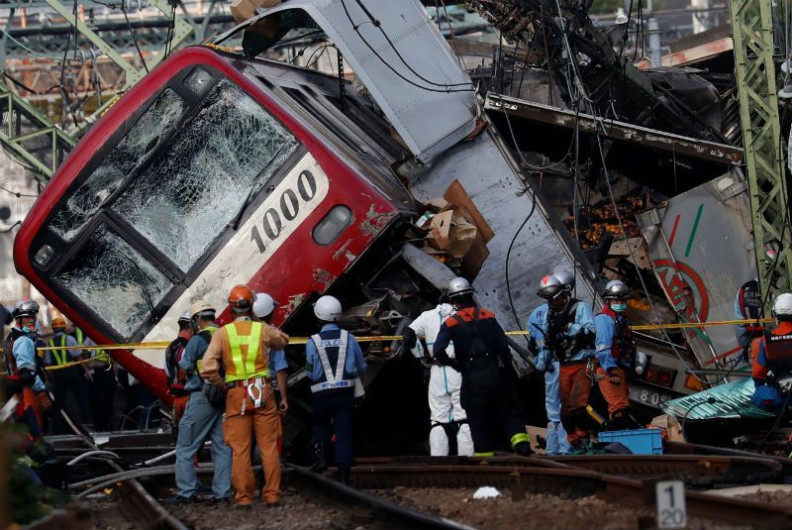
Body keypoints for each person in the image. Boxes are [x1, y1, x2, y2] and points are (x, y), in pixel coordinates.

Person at [201, 285, 289, 509]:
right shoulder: (263, 330)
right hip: (263, 392)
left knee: (240, 449)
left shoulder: (223, 333)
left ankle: (244, 498)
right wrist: (258, 321)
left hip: (236, 394)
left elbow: (208, 368)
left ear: (231, 308)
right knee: (268, 446)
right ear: (251, 307)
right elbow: (283, 340)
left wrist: (223, 384)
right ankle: (271, 495)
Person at [433, 277, 531, 458]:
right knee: (509, 410)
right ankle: (522, 446)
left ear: (453, 300)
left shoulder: (450, 323)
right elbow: (503, 347)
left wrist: (454, 365)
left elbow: (438, 351)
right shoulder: (488, 316)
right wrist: (507, 372)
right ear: (471, 295)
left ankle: (485, 458)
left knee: (477, 416)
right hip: (497, 372)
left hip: (472, 376)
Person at [169, 301, 232, 504]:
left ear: (197, 320)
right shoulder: (227, 336)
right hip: (224, 396)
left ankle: (186, 492)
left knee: (185, 447)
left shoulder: (198, 340)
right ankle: (223, 493)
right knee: (222, 447)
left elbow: (185, 364)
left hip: (201, 397)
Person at [306, 295, 368, 483]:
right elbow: (361, 366)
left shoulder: (313, 341)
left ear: (318, 316)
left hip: (322, 395)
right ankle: (343, 474)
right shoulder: (349, 338)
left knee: (320, 425)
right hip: (345, 394)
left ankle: (323, 458)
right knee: (344, 432)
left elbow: (310, 371)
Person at [402, 302, 473, 456]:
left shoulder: (427, 316)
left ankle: (438, 459)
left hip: (437, 371)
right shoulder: (463, 316)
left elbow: (408, 336)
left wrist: (421, 358)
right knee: (464, 418)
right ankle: (468, 462)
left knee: (438, 420)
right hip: (459, 370)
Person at [593, 280, 637, 429]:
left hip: (618, 368)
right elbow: (603, 348)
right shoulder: (604, 319)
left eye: (622, 300)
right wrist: (611, 371)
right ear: (608, 300)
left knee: (623, 405)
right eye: (617, 300)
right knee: (619, 409)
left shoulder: (618, 319)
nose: (620, 303)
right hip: (608, 370)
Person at [3, 300, 49, 435]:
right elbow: (28, 374)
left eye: (34, 316)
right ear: (19, 318)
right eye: (28, 316)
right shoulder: (25, 340)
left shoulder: (11, 338)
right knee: (35, 435)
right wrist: (43, 393)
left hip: (15, 394)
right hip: (28, 393)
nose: (32, 319)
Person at [46, 316, 92, 432]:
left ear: (53, 329)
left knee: (59, 402)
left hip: (58, 375)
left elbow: (48, 364)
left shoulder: (49, 343)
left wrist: (50, 379)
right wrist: (88, 371)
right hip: (71, 372)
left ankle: (56, 429)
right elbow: (78, 357)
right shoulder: (69, 339)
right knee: (81, 398)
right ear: (64, 328)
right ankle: (88, 423)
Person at [750, 293, 792, 411]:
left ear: (776, 316)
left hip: (783, 396)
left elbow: (758, 373)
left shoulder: (766, 341)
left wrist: (760, 386)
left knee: (759, 395)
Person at [165, 311, 195, 433]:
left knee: (181, 436)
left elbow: (168, 371)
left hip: (176, 400)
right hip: (189, 398)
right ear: (192, 327)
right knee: (192, 437)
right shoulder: (189, 347)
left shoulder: (170, 347)